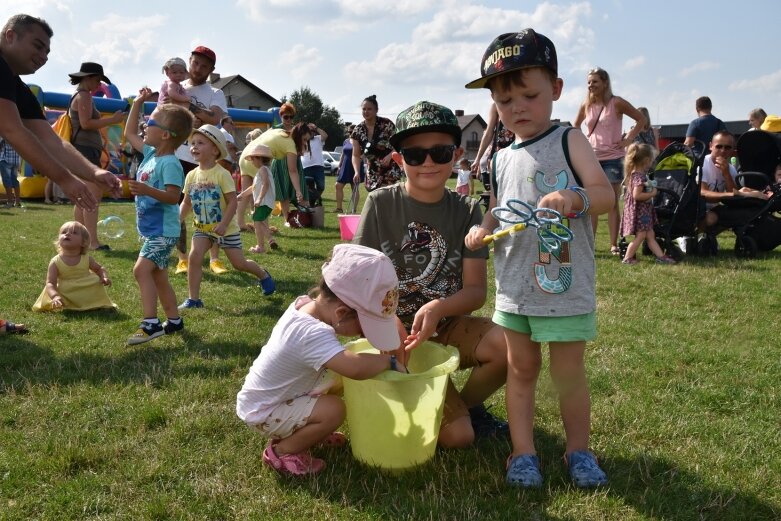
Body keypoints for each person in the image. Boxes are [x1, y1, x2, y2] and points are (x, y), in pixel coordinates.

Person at [464, 29, 614, 488]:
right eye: (505, 101)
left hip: (564, 283)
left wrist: (573, 198)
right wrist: (482, 229)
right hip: (513, 288)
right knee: (521, 370)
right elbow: (496, 204)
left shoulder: (570, 139)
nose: (518, 109)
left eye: (529, 95)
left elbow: (605, 194)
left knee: (568, 373)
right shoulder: (500, 157)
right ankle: (523, 453)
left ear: (556, 89)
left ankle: (579, 452)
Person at [355, 100, 510, 449]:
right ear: (398, 160)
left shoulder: (468, 209)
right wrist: (387, 320)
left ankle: (467, 408)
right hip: (389, 334)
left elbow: (475, 291)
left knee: (509, 347)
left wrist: (439, 307)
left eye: (440, 152)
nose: (428, 162)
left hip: (447, 327)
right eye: (415, 155)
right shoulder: (380, 204)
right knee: (458, 439)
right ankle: (448, 411)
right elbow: (358, 279)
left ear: (455, 156)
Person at [237, 243, 407, 476]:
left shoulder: (306, 306)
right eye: (364, 327)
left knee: (334, 380)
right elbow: (355, 368)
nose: (363, 335)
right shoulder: (311, 334)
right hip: (265, 411)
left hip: (274, 398)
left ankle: (308, 430)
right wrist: (389, 363)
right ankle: (284, 452)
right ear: (342, 313)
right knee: (335, 410)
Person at [0, 14, 122, 334]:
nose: (43, 56)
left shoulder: (15, 85)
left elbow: (50, 139)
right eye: (37, 45)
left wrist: (95, 171)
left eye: (48, 52)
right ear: (10, 36)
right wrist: (66, 179)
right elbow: (12, 129)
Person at [178, 124, 276, 309]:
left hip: (226, 229)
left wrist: (223, 224)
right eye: (192, 143)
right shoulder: (191, 175)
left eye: (200, 143)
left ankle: (263, 275)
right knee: (194, 257)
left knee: (239, 264)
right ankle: (194, 299)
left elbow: (232, 202)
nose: (194, 147)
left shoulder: (222, 175)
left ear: (215, 149)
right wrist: (178, 220)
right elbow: (187, 202)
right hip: (202, 229)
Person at [123, 87, 193, 345]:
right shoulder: (152, 155)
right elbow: (130, 133)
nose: (144, 125)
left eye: (149, 122)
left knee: (141, 270)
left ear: (164, 134)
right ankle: (174, 320)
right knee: (158, 275)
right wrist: (138, 102)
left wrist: (147, 190)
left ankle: (151, 324)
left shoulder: (171, 163)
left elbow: (174, 197)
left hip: (164, 231)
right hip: (152, 230)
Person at [574, 67, 646, 255]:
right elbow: (575, 126)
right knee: (592, 202)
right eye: (589, 82)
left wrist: (629, 138)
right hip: (592, 159)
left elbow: (641, 119)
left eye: (595, 81)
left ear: (605, 83)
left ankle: (613, 243)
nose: (591, 85)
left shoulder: (617, 103)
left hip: (613, 158)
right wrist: (583, 144)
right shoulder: (586, 105)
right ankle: (591, 242)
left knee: (612, 202)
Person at [174, 46, 229, 276]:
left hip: (204, 161)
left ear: (212, 70)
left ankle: (215, 259)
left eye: (204, 66)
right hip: (176, 155)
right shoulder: (175, 87)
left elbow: (214, 117)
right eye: (195, 63)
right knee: (178, 210)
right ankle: (182, 258)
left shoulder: (215, 92)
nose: (198, 69)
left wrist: (187, 104)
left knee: (212, 208)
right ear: (189, 61)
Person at [68, 61, 126, 251]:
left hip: (83, 149)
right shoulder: (84, 96)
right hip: (85, 150)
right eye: (98, 79)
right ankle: (92, 241)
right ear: (88, 78)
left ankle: (82, 238)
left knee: (84, 196)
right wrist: (113, 120)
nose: (99, 84)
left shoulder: (81, 95)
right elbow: (85, 124)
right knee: (93, 195)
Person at [32, 220, 115, 311]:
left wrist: (104, 277)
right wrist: (55, 296)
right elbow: (50, 283)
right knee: (59, 288)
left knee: (96, 280)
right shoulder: (55, 261)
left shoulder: (86, 259)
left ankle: (92, 302)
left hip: (84, 285)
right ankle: (63, 303)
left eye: (74, 233)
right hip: (66, 289)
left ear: (83, 242)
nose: (67, 234)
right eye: (64, 232)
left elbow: (99, 269)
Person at [240, 120, 310, 226]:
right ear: (299, 136)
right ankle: (263, 227)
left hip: (246, 155)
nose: (305, 143)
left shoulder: (281, 132)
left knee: (247, 195)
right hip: (256, 159)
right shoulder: (290, 144)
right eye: (304, 139)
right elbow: (293, 170)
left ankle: (240, 224)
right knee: (263, 194)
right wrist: (298, 191)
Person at [699, 130, 768, 235]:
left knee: (735, 216)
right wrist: (731, 194)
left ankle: (709, 236)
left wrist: (726, 174)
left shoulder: (730, 168)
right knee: (711, 219)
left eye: (727, 147)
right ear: (710, 146)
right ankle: (691, 236)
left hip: (714, 207)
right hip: (695, 208)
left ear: (732, 150)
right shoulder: (702, 164)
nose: (723, 150)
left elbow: (733, 197)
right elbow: (703, 193)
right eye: (719, 146)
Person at [619, 143, 676, 265]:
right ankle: (628, 258)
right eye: (651, 160)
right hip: (641, 212)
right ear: (646, 161)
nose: (652, 163)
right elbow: (637, 195)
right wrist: (652, 193)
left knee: (650, 234)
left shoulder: (634, 175)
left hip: (642, 211)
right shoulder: (640, 178)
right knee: (641, 236)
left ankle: (661, 256)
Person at [350, 94, 403, 198]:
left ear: (376, 110)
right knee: (376, 198)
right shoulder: (358, 130)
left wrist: (390, 156)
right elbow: (355, 155)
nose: (366, 112)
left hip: (389, 169)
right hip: (372, 171)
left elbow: (399, 143)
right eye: (364, 109)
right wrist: (356, 172)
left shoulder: (387, 124)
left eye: (369, 109)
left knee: (388, 198)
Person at [238, 143, 276, 253]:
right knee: (260, 222)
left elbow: (266, 184)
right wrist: (242, 195)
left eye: (253, 159)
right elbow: (253, 187)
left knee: (257, 221)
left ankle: (261, 246)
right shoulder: (262, 170)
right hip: (264, 202)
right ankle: (270, 241)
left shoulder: (263, 170)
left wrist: (259, 199)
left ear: (259, 158)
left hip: (263, 202)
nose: (252, 162)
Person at [470, 102, 515, 179]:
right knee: (497, 187)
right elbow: (488, 133)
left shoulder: (521, 102)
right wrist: (478, 158)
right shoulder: (496, 105)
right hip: (499, 155)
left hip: (518, 153)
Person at [334, 124, 364, 213]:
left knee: (354, 187)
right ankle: (339, 208)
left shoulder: (360, 141)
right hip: (345, 166)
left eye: (352, 132)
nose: (350, 133)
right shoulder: (346, 141)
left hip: (355, 166)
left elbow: (364, 153)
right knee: (338, 185)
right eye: (348, 132)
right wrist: (339, 166)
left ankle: (353, 209)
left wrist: (361, 158)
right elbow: (343, 154)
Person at [301, 122, 328, 196]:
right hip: (306, 167)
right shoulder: (303, 140)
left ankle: (315, 198)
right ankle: (310, 201)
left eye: (313, 131)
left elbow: (325, 136)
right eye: (310, 131)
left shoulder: (318, 138)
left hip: (318, 167)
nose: (312, 133)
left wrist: (316, 128)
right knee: (307, 186)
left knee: (321, 186)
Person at [0, 137, 21, 207]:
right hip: (16, 160)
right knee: (14, 180)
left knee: (7, 181)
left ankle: (10, 202)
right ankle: (17, 202)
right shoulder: (18, 132)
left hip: (5, 159)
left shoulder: (4, 132)